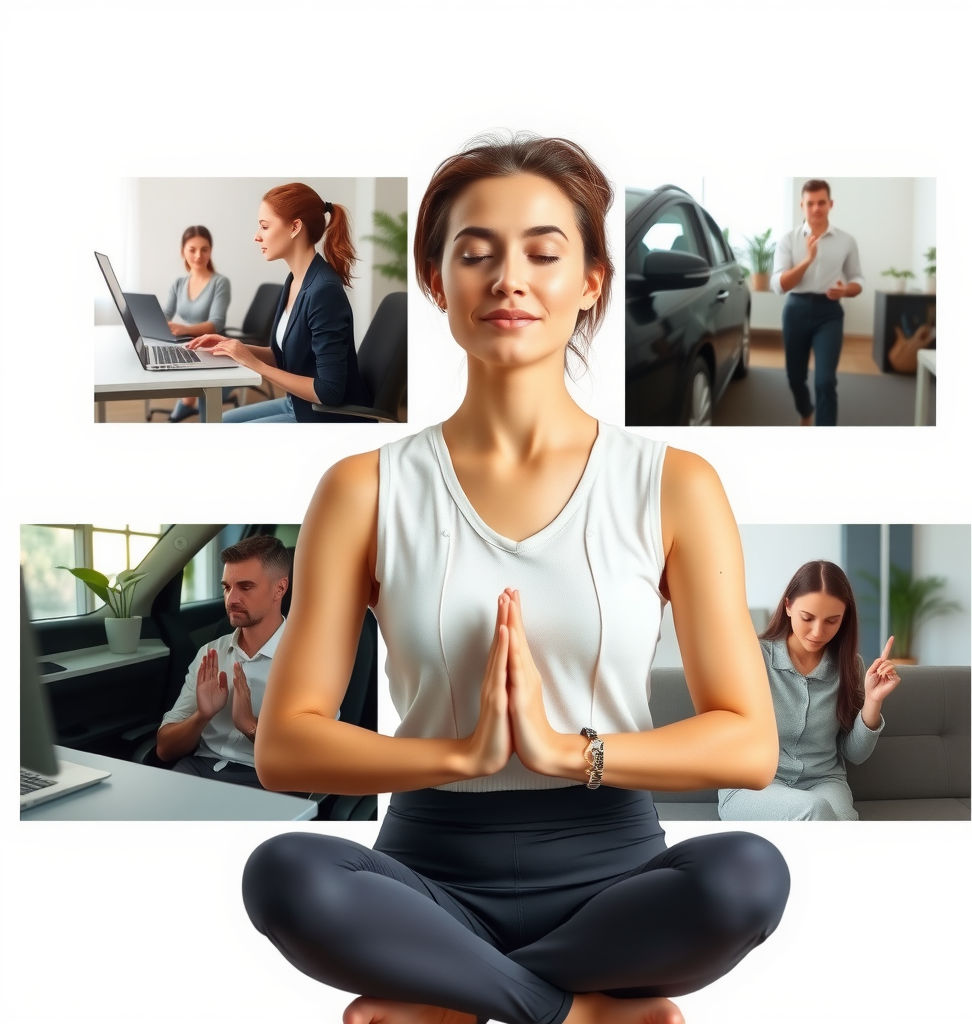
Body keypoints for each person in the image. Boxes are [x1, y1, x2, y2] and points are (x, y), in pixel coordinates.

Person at [242, 135, 790, 1024]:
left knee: (747, 878)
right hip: (426, 872)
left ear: (591, 281)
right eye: (475, 253)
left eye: (543, 251)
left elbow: (747, 745)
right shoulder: (362, 489)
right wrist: (459, 756)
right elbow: (286, 748)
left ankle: (449, 991)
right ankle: (577, 1011)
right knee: (287, 875)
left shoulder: (674, 483)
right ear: (435, 280)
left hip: (616, 882)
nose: (509, 279)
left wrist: (568, 751)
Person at [719, 560, 901, 821]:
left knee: (842, 822)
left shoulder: (850, 667)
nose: (818, 632)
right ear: (789, 606)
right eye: (808, 618)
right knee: (815, 810)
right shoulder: (753, 657)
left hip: (823, 780)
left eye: (832, 620)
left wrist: (872, 701)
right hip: (755, 783)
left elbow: (855, 755)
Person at [186, 183, 371, 423]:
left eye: (264, 226)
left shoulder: (324, 292)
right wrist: (233, 348)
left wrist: (254, 365)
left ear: (295, 227)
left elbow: (329, 392)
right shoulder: (295, 279)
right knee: (224, 421)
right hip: (297, 403)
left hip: (324, 416)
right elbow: (283, 356)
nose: (257, 235)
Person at [155, 536, 290, 787]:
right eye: (227, 587)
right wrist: (202, 716)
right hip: (197, 769)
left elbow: (312, 762)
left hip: (265, 781)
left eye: (246, 587)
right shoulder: (210, 653)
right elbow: (165, 750)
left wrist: (250, 727)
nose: (231, 599)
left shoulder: (308, 660)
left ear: (279, 589)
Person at [770, 180, 865, 427]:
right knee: (795, 378)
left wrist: (846, 290)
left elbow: (858, 279)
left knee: (825, 381)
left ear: (830, 204)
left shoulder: (846, 240)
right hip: (795, 311)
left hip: (829, 313)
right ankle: (805, 410)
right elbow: (778, 285)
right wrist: (807, 260)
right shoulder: (788, 241)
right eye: (810, 203)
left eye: (821, 202)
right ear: (802, 205)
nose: (816, 208)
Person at [162, 225, 233, 422]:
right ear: (183, 251)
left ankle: (189, 402)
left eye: (204, 249)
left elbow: (216, 324)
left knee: (205, 403)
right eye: (192, 249)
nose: (198, 256)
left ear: (211, 250)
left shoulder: (220, 282)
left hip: (213, 345)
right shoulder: (179, 283)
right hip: (188, 344)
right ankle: (187, 401)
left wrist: (183, 328)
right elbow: (166, 314)